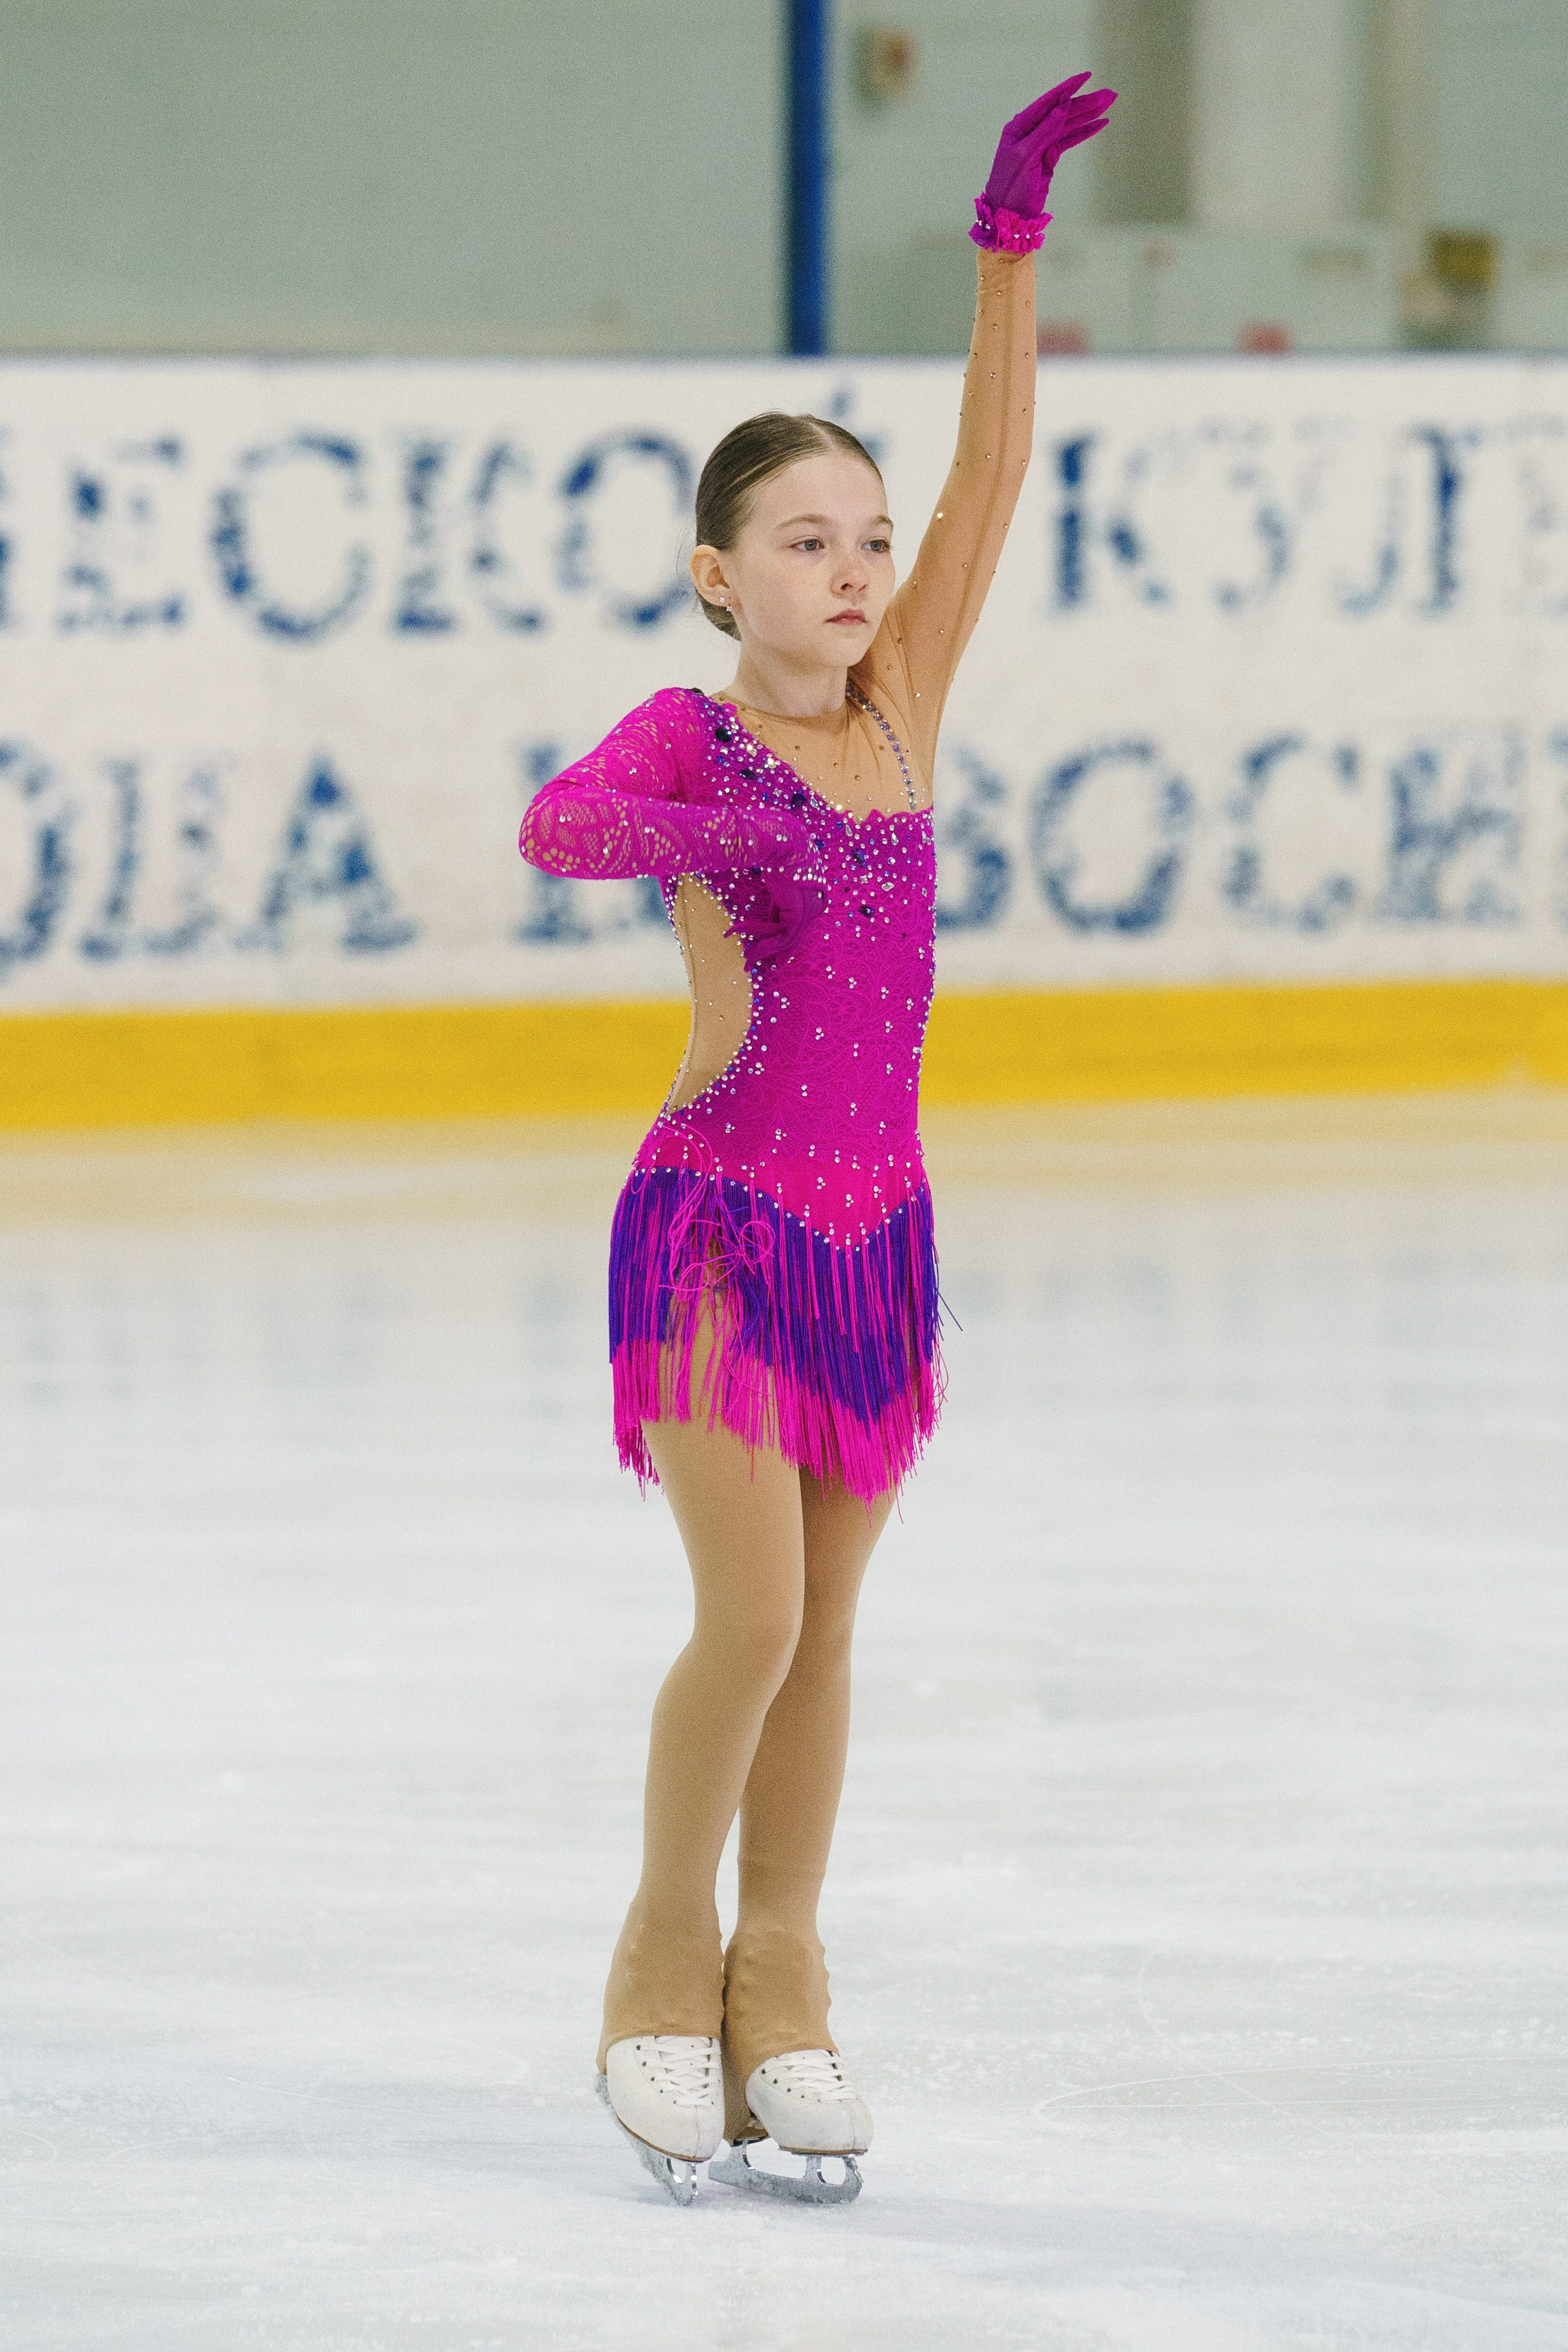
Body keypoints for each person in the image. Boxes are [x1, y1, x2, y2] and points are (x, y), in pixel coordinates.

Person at [519, 73, 1116, 2204]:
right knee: (752, 1619)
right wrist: (708, 830)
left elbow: (993, 474)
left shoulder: (897, 703)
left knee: (833, 1628)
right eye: (805, 540)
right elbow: (559, 824)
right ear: (718, 573)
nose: (855, 567)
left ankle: (782, 1976)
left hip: (876, 1243)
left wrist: (1004, 248)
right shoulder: (692, 728)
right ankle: (655, 1956)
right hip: (712, 1222)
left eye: (865, 538)